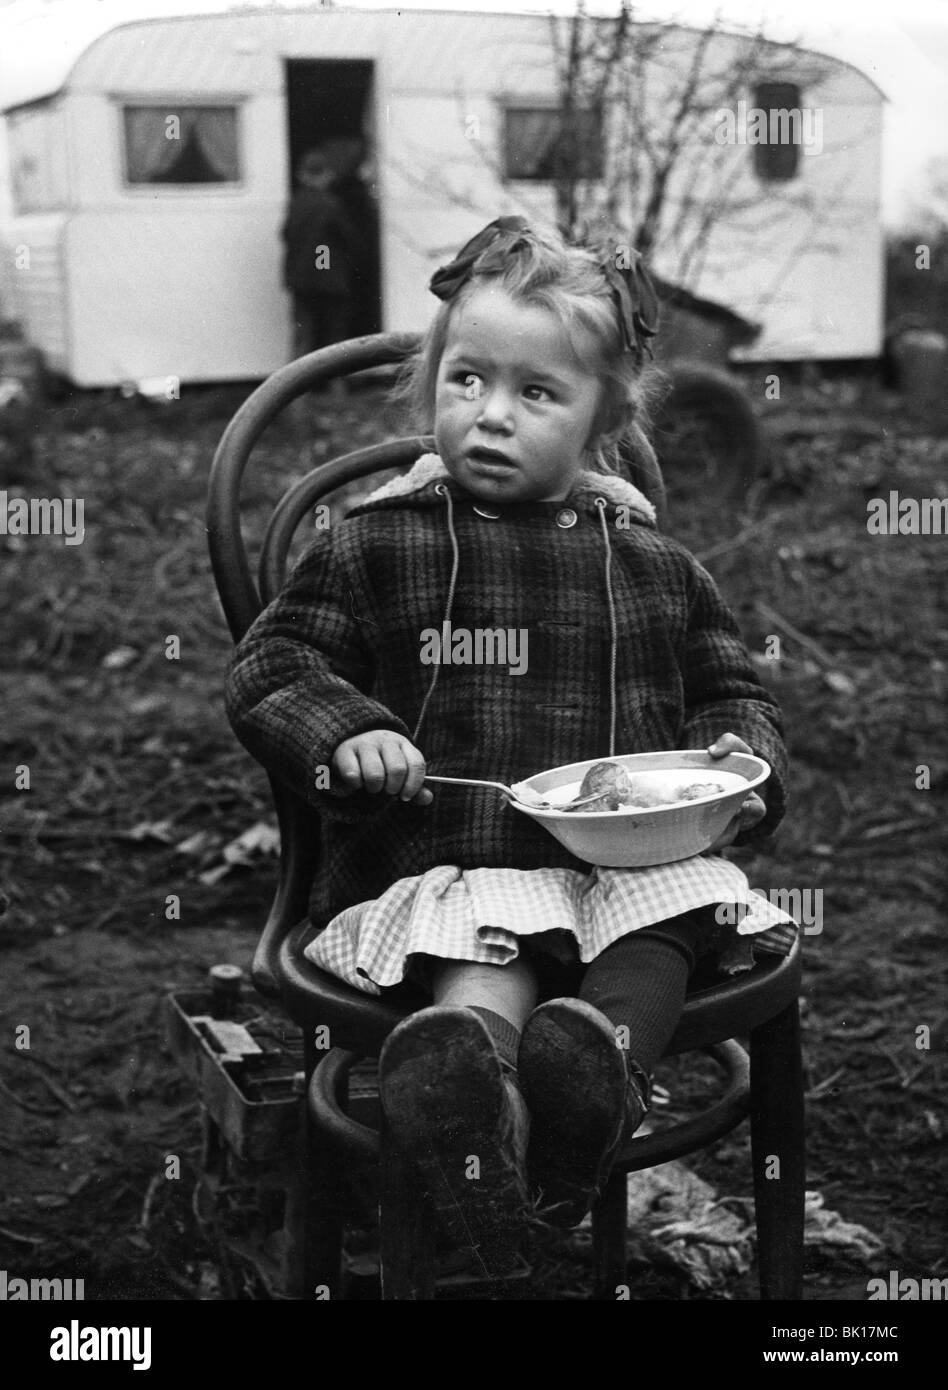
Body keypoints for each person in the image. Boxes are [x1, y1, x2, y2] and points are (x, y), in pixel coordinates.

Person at [225, 216, 798, 1283]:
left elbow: (733, 691)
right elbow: (273, 669)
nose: (490, 415)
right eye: (468, 379)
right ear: (433, 378)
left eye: (536, 395)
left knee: (663, 925)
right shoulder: (375, 543)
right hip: (458, 855)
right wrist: (352, 732)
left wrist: (739, 768)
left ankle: (583, 1086)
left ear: (598, 422)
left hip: (628, 865)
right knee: (477, 962)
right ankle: (473, 1099)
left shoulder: (654, 564)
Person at [280, 148, 359, 370]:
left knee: (303, 337)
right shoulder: (331, 204)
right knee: (335, 339)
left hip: (301, 281)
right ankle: (337, 395)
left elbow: (285, 235)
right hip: (330, 281)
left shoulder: (296, 203)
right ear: (324, 175)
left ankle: (297, 399)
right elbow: (348, 238)